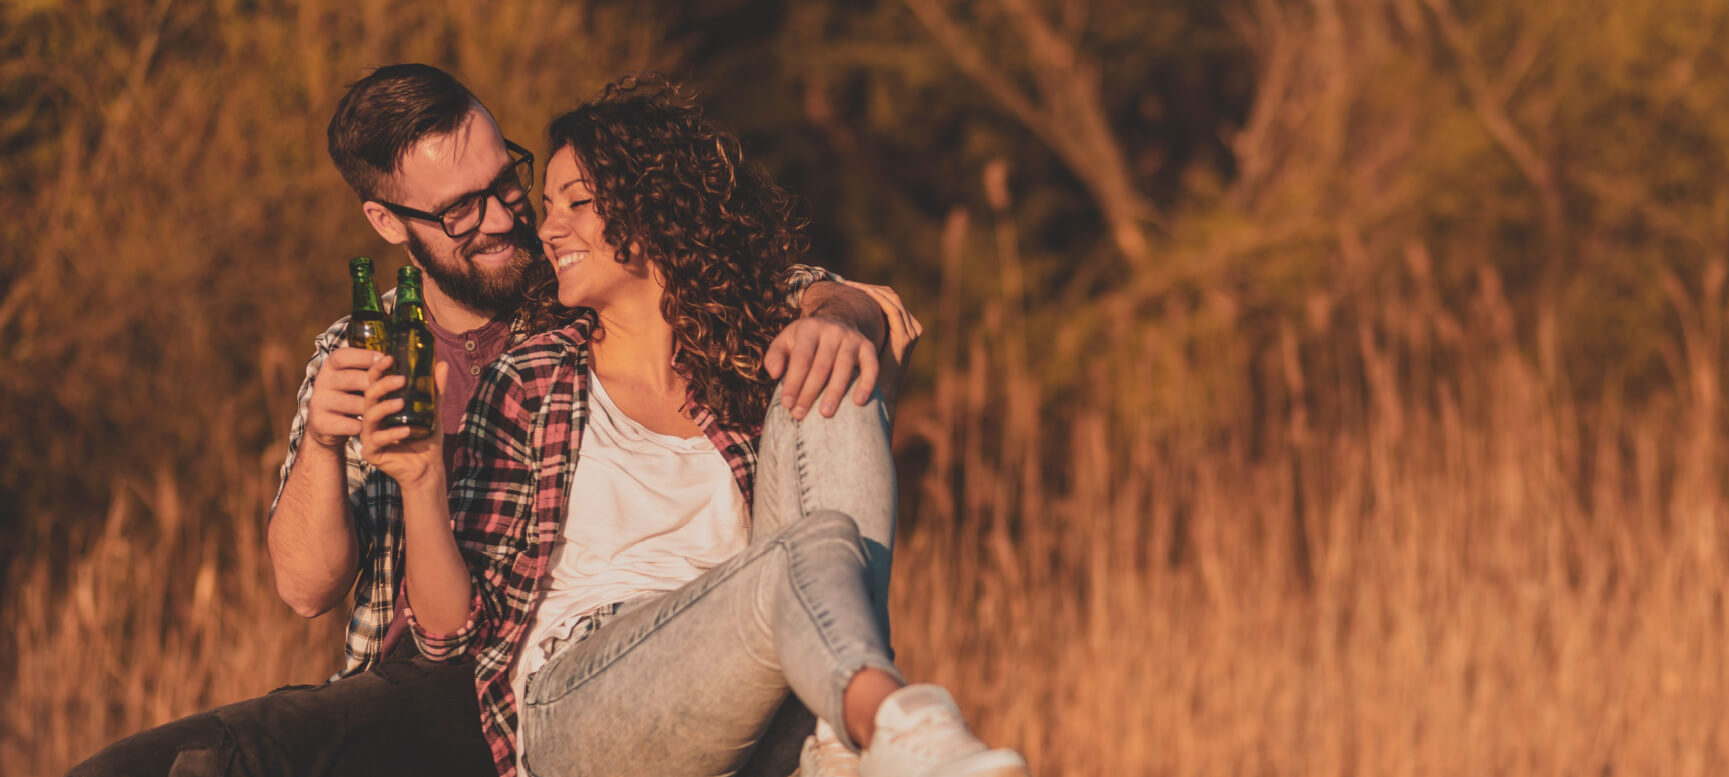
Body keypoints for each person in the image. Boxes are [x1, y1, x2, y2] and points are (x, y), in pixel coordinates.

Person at [68, 64, 907, 777]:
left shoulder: (571, 286)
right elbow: (305, 587)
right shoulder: (364, 349)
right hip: (429, 678)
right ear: (389, 222)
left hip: (620, 663)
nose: (509, 218)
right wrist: (327, 445)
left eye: (508, 178)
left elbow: (725, 266)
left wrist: (837, 306)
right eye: (464, 210)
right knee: (222, 753)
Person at [359, 73, 1028, 777]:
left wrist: (837, 317)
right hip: (583, 697)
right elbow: (448, 638)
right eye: (549, 204)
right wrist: (421, 479)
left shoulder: (741, 362)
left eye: (577, 204)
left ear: (653, 211)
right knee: (797, 557)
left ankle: (843, 733)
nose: (546, 228)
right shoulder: (531, 376)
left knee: (836, 379)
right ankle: (886, 720)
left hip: (746, 678)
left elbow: (870, 308)